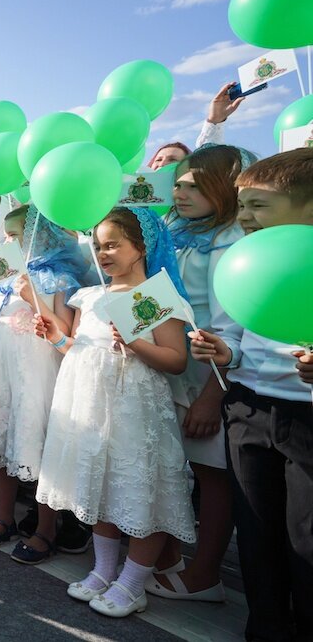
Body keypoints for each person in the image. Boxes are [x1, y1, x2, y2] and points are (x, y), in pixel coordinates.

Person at [35, 207, 196, 618]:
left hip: (135, 408)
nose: (103, 254)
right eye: (99, 246)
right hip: (91, 405)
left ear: (141, 247)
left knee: (141, 490)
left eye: (113, 245)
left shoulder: (156, 295)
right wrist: (57, 338)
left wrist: (136, 343)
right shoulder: (90, 296)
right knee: (102, 488)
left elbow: (176, 359)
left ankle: (133, 582)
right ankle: (105, 569)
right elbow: (81, 349)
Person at [187, 148, 313, 641]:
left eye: (259, 205)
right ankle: (265, 627)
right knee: (257, 532)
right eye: (242, 206)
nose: (244, 217)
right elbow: (236, 331)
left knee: (305, 539)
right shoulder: (246, 260)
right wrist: (225, 353)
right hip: (247, 408)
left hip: (305, 420)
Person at [146, 145, 251, 603]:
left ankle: (206, 574)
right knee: (161, 466)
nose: (181, 191)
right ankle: (166, 558)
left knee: (211, 475)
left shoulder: (233, 241)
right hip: (164, 367)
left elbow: (232, 325)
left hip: (208, 378)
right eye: (180, 183)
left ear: (225, 189)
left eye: (194, 185)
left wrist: (212, 396)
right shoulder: (173, 228)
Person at [0, 204, 83, 564]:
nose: (7, 241)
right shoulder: (6, 275)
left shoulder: (59, 276)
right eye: (7, 235)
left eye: (15, 235)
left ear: (40, 234)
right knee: (4, 439)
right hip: (0, 362)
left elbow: (66, 331)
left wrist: (32, 297)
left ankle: (46, 528)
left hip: (38, 367)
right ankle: (3, 517)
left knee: (35, 443)